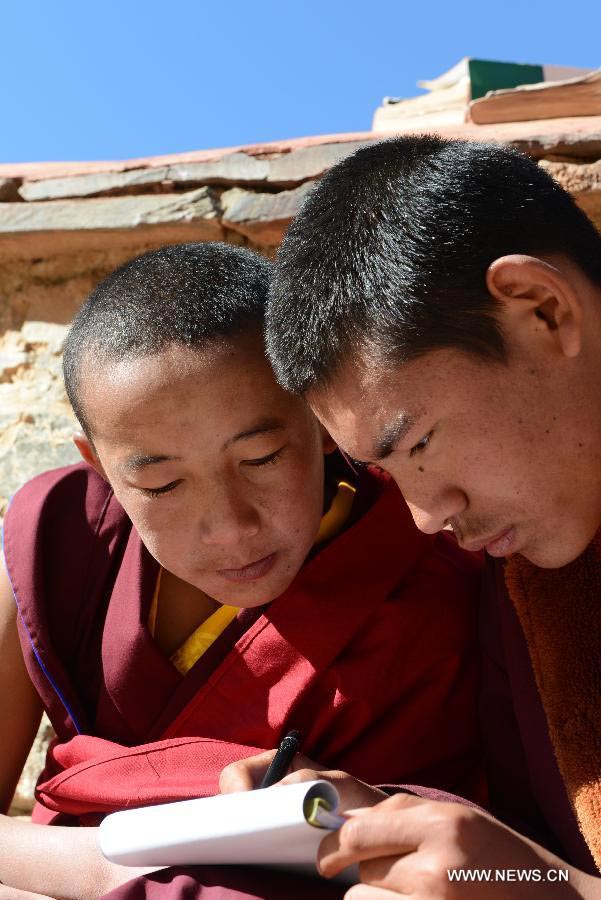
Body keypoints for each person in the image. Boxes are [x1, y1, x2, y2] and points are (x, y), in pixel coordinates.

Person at [0, 242, 482, 899]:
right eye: (162, 484)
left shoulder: (433, 573)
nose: (229, 526)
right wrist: (102, 868)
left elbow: (474, 866)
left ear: (321, 420)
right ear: (99, 465)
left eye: (261, 458)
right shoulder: (55, 537)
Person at [253, 134, 601, 897]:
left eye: (418, 443)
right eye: (387, 474)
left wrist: (556, 894)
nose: (424, 517)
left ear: (542, 310)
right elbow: (544, 856)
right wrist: (389, 820)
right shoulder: (530, 580)